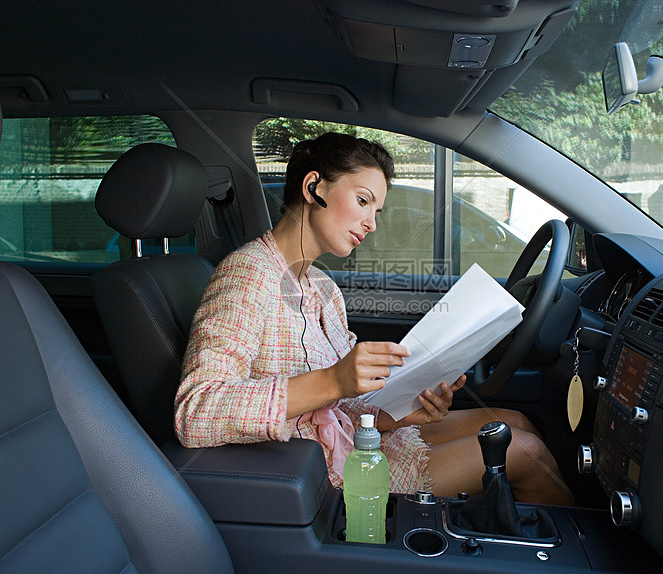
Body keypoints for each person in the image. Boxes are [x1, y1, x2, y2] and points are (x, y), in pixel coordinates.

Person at [175, 132, 574, 505]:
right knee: (523, 452)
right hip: (328, 469)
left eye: (377, 210)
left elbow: (344, 402)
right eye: (363, 201)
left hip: (360, 435)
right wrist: (332, 380)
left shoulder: (322, 288)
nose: (372, 223)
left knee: (512, 419)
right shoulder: (246, 274)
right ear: (314, 187)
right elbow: (196, 412)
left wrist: (398, 410)